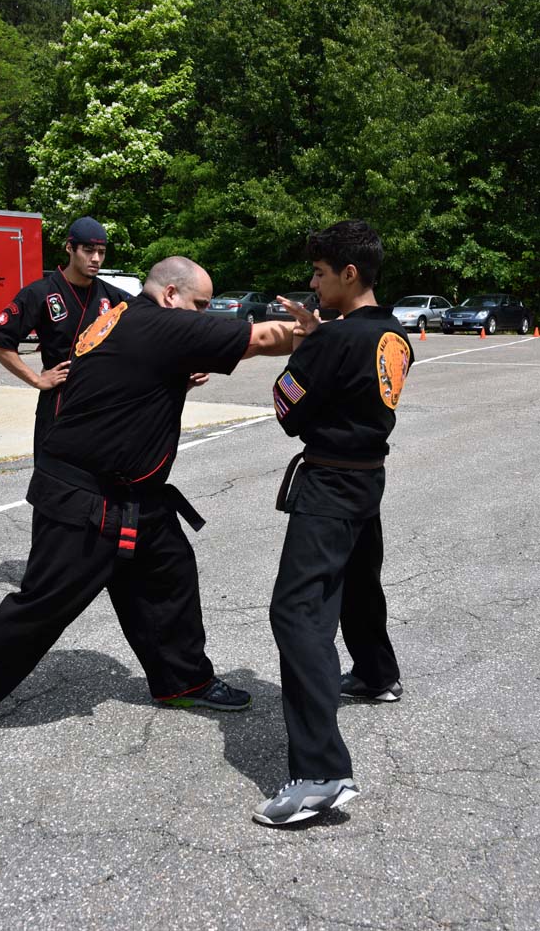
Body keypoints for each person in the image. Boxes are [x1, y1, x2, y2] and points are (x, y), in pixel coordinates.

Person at [0, 257, 297, 748]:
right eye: (199, 305)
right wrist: (316, 333)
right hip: (84, 492)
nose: (203, 315)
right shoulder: (159, 322)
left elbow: (137, 371)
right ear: (171, 294)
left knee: (168, 575)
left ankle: (183, 680)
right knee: (47, 602)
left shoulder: (126, 316)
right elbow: (263, 339)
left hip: (135, 493)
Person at [253, 220, 414, 826]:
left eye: (321, 274)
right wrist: (323, 336)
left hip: (328, 482)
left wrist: (307, 344)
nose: (313, 285)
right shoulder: (395, 335)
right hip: (368, 477)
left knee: (296, 611)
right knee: (358, 581)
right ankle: (376, 674)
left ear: (350, 274)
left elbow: (285, 407)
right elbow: (355, 386)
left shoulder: (328, 342)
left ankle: (320, 774)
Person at [0, 216, 128, 458]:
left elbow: (152, 330)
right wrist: (36, 380)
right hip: (60, 402)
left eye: (101, 252)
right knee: (53, 482)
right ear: (70, 248)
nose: (95, 259)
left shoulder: (112, 297)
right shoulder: (40, 293)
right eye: (88, 250)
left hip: (102, 404)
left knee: (100, 485)